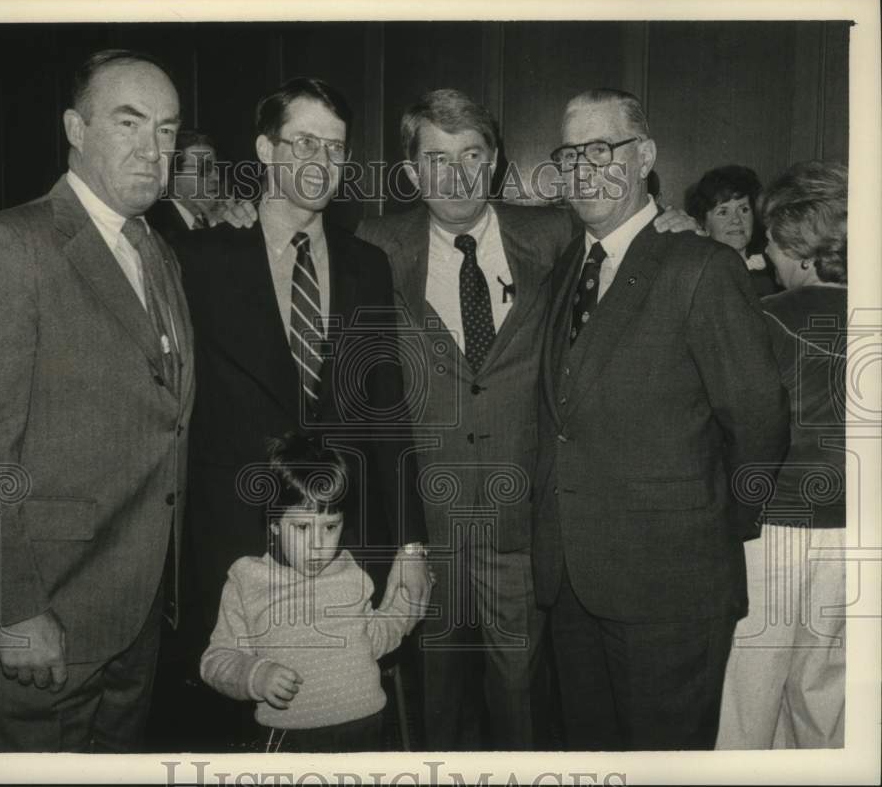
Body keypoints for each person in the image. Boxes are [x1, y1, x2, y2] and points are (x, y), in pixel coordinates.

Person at [355, 88, 699, 751]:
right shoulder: (372, 245)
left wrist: (672, 226)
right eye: (436, 158)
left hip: (528, 532)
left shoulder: (553, 232)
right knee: (438, 715)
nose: (454, 175)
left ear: (493, 163)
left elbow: (631, 242)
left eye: (471, 154)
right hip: (425, 533)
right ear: (409, 172)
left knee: (528, 714)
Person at [0, 49, 195, 752]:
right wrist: (11, 610)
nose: (152, 148)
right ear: (75, 128)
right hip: (42, 621)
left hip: (132, 621)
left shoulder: (156, 252)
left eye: (167, 130)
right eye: (128, 122)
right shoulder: (9, 246)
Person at [175, 77, 430, 748]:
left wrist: (409, 543)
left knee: (346, 723)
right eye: (304, 142)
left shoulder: (367, 265)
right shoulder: (200, 259)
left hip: (344, 543)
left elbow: (386, 409)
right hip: (234, 537)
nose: (320, 161)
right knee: (238, 736)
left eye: (336, 147)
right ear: (265, 148)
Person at [533, 88, 790, 750]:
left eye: (602, 149)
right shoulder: (569, 266)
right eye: (570, 154)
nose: (583, 169)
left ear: (644, 155)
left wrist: (714, 529)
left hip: (673, 591)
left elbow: (759, 419)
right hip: (572, 584)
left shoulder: (701, 265)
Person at [716, 161, 848, 749]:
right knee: (827, 699)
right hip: (858, 536)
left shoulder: (763, 319)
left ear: (798, 244)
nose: (763, 247)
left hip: (772, 531)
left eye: (770, 235)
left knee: (748, 697)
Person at [200, 432, 415, 753]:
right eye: (301, 527)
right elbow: (215, 661)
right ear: (273, 523)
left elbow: (374, 637)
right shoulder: (248, 578)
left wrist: (406, 605)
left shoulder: (350, 570)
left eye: (330, 527)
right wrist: (255, 676)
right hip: (292, 741)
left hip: (367, 732)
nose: (318, 544)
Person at [146, 128, 256, 240]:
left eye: (216, 168)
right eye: (205, 168)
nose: (217, 177)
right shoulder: (153, 228)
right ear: (171, 174)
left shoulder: (221, 220)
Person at [686, 164, 778, 296]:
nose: (736, 219)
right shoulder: (697, 277)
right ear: (703, 223)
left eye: (744, 210)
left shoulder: (773, 270)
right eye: (723, 212)